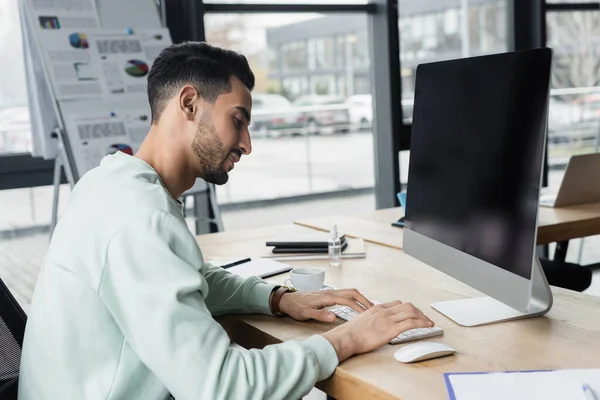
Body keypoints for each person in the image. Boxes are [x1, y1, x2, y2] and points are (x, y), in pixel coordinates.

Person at [19, 42, 434, 400]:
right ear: (188, 103)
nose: (247, 145)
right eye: (238, 120)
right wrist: (349, 338)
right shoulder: (140, 218)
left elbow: (186, 276)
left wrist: (278, 299)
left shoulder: (111, 183)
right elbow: (223, 387)